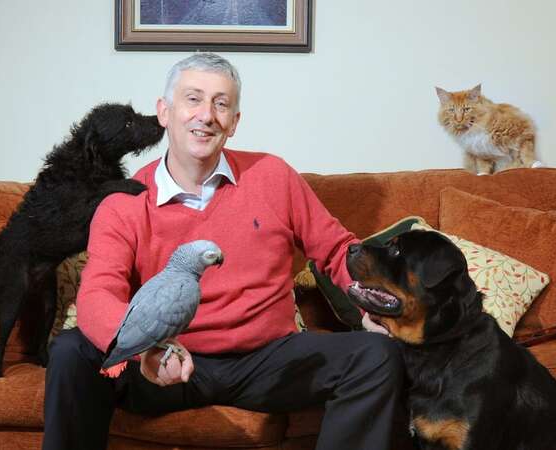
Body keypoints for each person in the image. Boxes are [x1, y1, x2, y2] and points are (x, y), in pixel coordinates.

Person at [42, 53, 404, 450]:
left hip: (267, 360)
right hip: (165, 360)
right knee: (71, 350)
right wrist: (146, 351)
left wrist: (376, 307)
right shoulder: (123, 203)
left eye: (221, 103)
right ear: (164, 112)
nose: (207, 115)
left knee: (377, 355)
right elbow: (98, 293)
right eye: (193, 99)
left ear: (234, 121)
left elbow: (337, 251)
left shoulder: (273, 175)